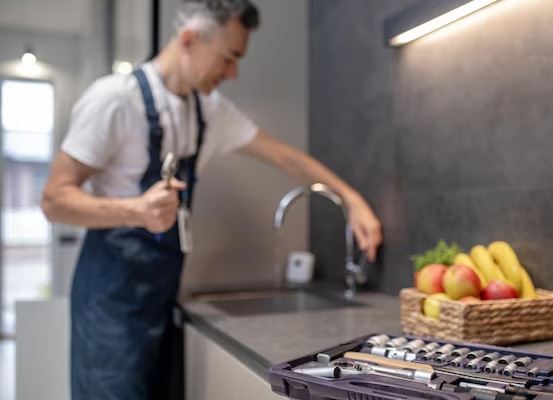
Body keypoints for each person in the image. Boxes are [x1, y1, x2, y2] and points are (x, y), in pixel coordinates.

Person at [41, 0, 382, 398]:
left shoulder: (209, 111)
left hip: (163, 303)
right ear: (189, 40)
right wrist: (135, 211)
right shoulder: (115, 99)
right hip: (108, 308)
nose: (232, 73)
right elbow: (54, 200)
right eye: (228, 58)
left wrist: (351, 198)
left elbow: (285, 157)